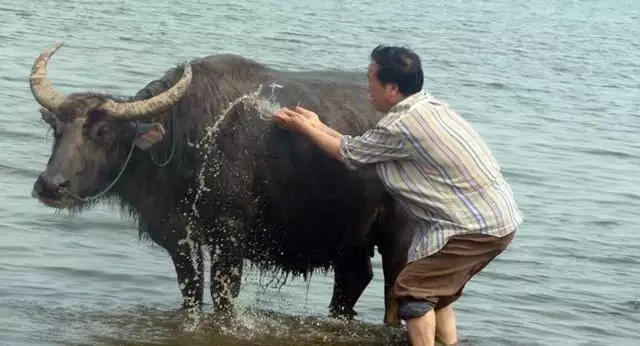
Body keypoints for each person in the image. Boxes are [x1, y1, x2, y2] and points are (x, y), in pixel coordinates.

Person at [273, 45, 523, 346]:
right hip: (495, 220)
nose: (367, 88)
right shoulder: (428, 108)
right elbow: (362, 148)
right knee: (437, 295)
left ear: (392, 87)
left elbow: (349, 154)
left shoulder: (401, 126)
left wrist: (304, 129)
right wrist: (318, 126)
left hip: (472, 228)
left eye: (371, 79)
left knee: (413, 291)